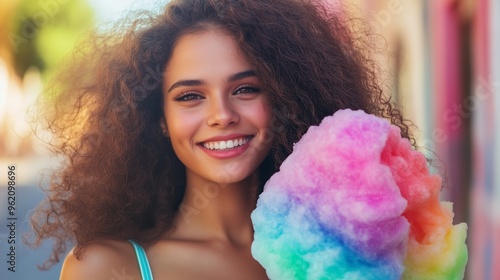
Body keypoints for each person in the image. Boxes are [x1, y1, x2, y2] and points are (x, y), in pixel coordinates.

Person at [29, 0, 415, 279]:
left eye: (246, 88)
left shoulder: (344, 251)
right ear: (159, 119)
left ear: (284, 98)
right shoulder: (106, 268)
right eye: (190, 96)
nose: (222, 115)